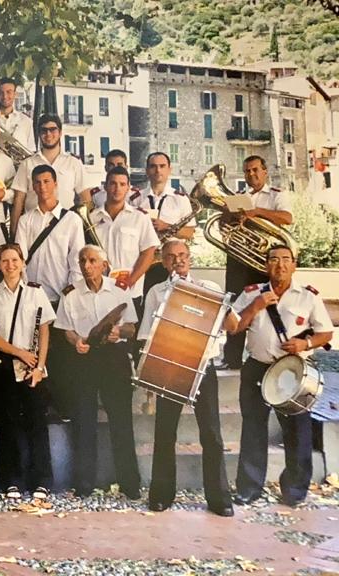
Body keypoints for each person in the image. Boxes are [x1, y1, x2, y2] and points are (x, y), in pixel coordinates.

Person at [229, 245, 333, 507]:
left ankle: (295, 490)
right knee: (253, 428)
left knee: (297, 430)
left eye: (286, 260)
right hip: (257, 367)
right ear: (266, 266)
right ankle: (249, 489)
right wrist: (255, 306)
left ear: (294, 265)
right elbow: (232, 327)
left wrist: (304, 345)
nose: (280, 265)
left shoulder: (307, 296)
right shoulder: (252, 293)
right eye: (274, 260)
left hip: (292, 371)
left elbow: (326, 333)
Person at [140, 239, 235, 517]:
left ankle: (219, 498)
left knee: (212, 434)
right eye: (171, 257)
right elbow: (147, 335)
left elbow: (232, 325)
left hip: (203, 366)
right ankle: (161, 495)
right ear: (163, 262)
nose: (178, 261)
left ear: (190, 258)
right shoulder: (156, 292)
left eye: (182, 255)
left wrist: (224, 306)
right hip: (170, 366)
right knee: (165, 431)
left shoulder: (210, 289)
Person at [54, 245, 141, 499]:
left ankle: (130, 483)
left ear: (104, 265)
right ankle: (84, 484)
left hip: (114, 358)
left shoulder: (119, 291)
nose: (87, 265)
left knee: (121, 421)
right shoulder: (71, 294)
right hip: (84, 358)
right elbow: (65, 328)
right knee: (83, 422)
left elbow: (132, 328)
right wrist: (75, 342)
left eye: (92, 260)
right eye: (83, 261)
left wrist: (118, 332)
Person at [0, 243, 55, 501]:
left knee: (37, 424)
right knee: (8, 424)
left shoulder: (36, 293)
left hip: (33, 369)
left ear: (23, 263)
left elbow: (44, 331)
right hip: (5, 367)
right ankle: (11, 480)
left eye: (14, 260)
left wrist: (40, 366)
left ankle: (42, 481)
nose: (10, 265)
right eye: (4, 261)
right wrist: (21, 353)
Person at [222, 155, 294, 369]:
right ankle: (231, 359)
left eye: (255, 170)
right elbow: (223, 229)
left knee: (271, 306)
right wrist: (228, 217)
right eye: (247, 171)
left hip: (266, 261)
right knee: (235, 305)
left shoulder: (276, 195)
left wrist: (256, 213)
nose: (251, 174)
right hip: (240, 260)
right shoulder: (238, 197)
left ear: (265, 172)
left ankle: (275, 355)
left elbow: (287, 218)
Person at [90, 166, 159, 315]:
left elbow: (148, 252)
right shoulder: (91, 218)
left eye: (122, 184)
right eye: (113, 183)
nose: (117, 188)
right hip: (98, 290)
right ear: (106, 186)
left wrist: (130, 282)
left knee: (127, 335)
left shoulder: (140, 217)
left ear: (128, 188)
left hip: (130, 291)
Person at [14, 165, 85, 307]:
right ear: (33, 186)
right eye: (37, 182)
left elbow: (77, 261)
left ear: (56, 184)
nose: (42, 187)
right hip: (30, 297)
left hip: (60, 297)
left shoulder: (72, 220)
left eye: (46, 181)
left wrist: (70, 294)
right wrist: (25, 290)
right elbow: (20, 260)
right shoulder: (25, 220)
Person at [10, 114, 86, 238]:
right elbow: (18, 201)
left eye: (53, 129)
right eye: (44, 130)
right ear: (39, 134)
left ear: (60, 132)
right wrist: (13, 236)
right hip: (33, 229)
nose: (48, 134)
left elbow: (85, 199)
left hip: (66, 228)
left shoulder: (74, 163)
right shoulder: (27, 164)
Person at [134, 152, 195, 295]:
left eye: (162, 166)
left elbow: (190, 232)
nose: (158, 170)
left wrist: (167, 226)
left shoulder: (180, 199)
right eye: (153, 166)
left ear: (169, 170)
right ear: (147, 170)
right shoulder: (135, 199)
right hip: (141, 260)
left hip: (170, 262)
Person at [0, 77, 35, 153]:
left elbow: (31, 150)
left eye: (9, 92)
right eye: (1, 92)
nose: (5, 96)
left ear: (15, 94)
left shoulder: (26, 121)